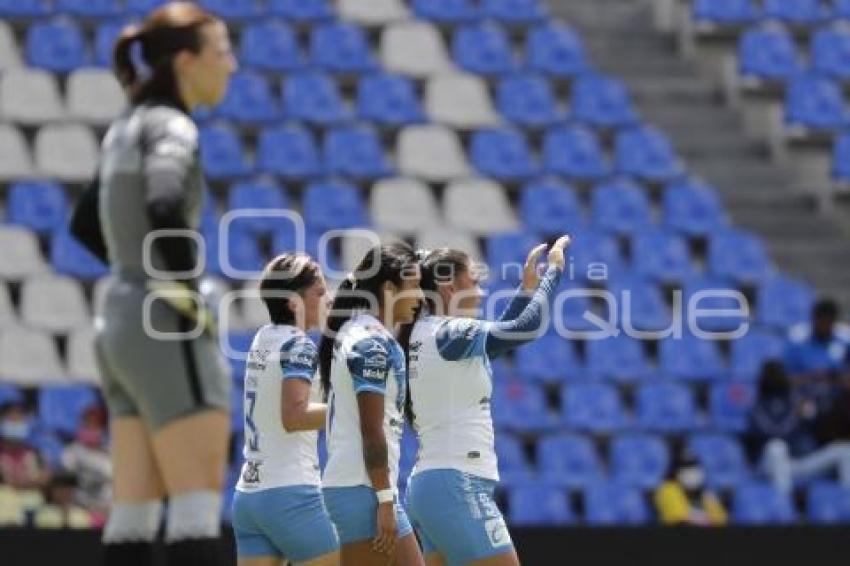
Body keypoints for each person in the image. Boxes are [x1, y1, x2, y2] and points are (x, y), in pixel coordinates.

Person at [68, 3, 237, 565]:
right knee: (195, 508)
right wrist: (184, 292)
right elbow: (164, 202)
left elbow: (85, 223)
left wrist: (135, 276)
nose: (232, 66)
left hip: (118, 320)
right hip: (162, 321)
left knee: (133, 515)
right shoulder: (172, 124)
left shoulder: (126, 127)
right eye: (221, 52)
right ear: (185, 61)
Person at [404, 236, 570, 566]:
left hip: (436, 483)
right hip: (456, 483)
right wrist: (554, 271)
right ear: (449, 287)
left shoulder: (429, 333)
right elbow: (525, 329)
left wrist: (526, 290)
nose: (481, 291)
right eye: (475, 281)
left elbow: (503, 338)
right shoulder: (448, 333)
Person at [319, 242, 425, 566]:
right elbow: (371, 429)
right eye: (415, 286)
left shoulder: (358, 332)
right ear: (389, 289)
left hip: (364, 488)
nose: (421, 297)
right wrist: (384, 500)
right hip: (364, 491)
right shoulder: (372, 344)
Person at [231, 253, 340, 566]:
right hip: (290, 494)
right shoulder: (299, 345)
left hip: (249, 496)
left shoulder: (263, 338)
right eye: (319, 293)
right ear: (294, 302)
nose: (327, 298)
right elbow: (294, 417)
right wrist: (348, 409)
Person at [745, 360, 850, 493]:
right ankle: (784, 506)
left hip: (795, 462)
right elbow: (774, 433)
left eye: (780, 375)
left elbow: (819, 430)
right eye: (772, 375)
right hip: (767, 465)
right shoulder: (758, 406)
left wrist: (811, 415)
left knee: (845, 450)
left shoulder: (796, 400)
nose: (776, 379)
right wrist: (796, 415)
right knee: (777, 447)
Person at [784, 299, 849, 410]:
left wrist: (834, 378)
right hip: (803, 398)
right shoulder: (797, 340)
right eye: (822, 321)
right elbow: (787, 379)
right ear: (814, 319)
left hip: (836, 399)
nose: (825, 326)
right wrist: (814, 377)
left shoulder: (845, 341)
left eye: (829, 322)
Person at [60, 402, 112, 526]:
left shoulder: (112, 452)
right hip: (80, 507)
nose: (90, 428)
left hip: (108, 509)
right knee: (76, 520)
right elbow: (64, 483)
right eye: (87, 424)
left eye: (95, 425)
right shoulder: (72, 452)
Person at [654, 447, 726, 527]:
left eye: (694, 467)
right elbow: (680, 520)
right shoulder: (668, 489)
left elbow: (721, 519)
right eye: (685, 468)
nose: (691, 472)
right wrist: (707, 520)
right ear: (676, 471)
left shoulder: (706, 492)